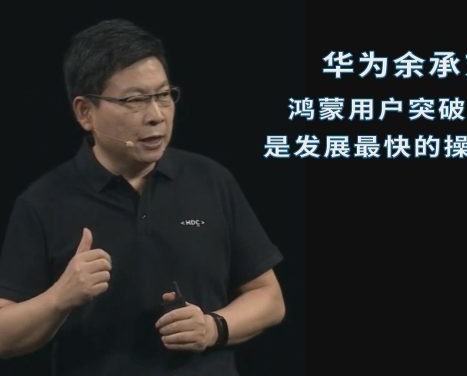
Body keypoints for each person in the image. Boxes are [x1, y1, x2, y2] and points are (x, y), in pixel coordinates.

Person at [0, 19, 285, 375]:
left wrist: (213, 327)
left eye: (163, 96)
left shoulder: (211, 180)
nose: (156, 116)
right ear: (85, 112)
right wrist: (59, 298)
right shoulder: (43, 202)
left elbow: (269, 297)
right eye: (134, 100)